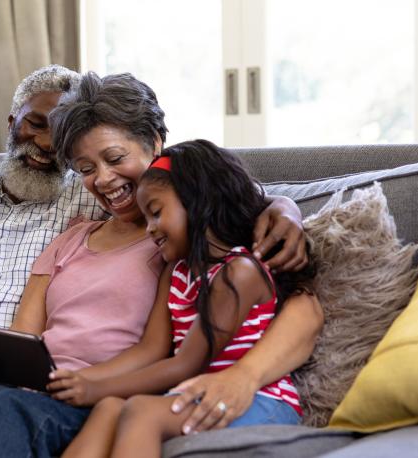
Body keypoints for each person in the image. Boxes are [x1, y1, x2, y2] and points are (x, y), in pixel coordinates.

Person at [0, 70, 321, 458]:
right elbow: (27, 336)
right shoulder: (78, 226)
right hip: (43, 380)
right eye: (86, 170)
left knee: (7, 411)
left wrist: (286, 207)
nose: (104, 180)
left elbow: (237, 203)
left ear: (156, 144)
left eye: (114, 159)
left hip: (96, 391)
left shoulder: (181, 237)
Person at [60, 140, 316, 458]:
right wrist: (82, 384)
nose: (151, 229)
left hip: (263, 401)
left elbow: (186, 364)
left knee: (141, 411)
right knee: (110, 407)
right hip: (195, 393)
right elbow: (152, 348)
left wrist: (92, 389)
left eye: (156, 213)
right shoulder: (177, 272)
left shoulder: (239, 272)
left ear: (197, 202)